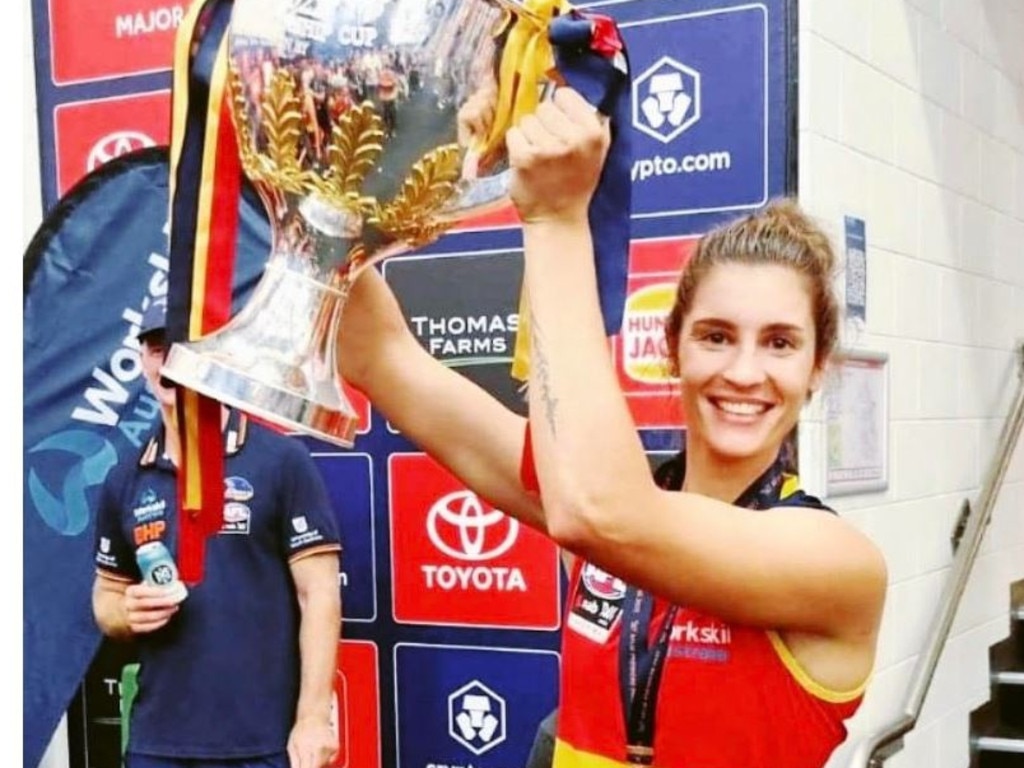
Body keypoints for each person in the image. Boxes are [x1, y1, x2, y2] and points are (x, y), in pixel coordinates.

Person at [337, 86, 886, 768]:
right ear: (673, 350)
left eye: (779, 343)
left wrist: (557, 219)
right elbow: (381, 357)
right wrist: (317, 194)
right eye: (716, 337)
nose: (745, 372)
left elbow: (607, 515)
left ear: (816, 369)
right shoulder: (600, 498)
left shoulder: (837, 562)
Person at [92, 297, 343, 768]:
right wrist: (126, 612)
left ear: (219, 356)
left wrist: (312, 718)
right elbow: (107, 596)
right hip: (157, 742)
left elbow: (320, 595)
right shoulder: (126, 477)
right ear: (144, 361)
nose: (171, 361)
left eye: (186, 346)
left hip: (262, 742)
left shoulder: (280, 462)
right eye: (157, 347)